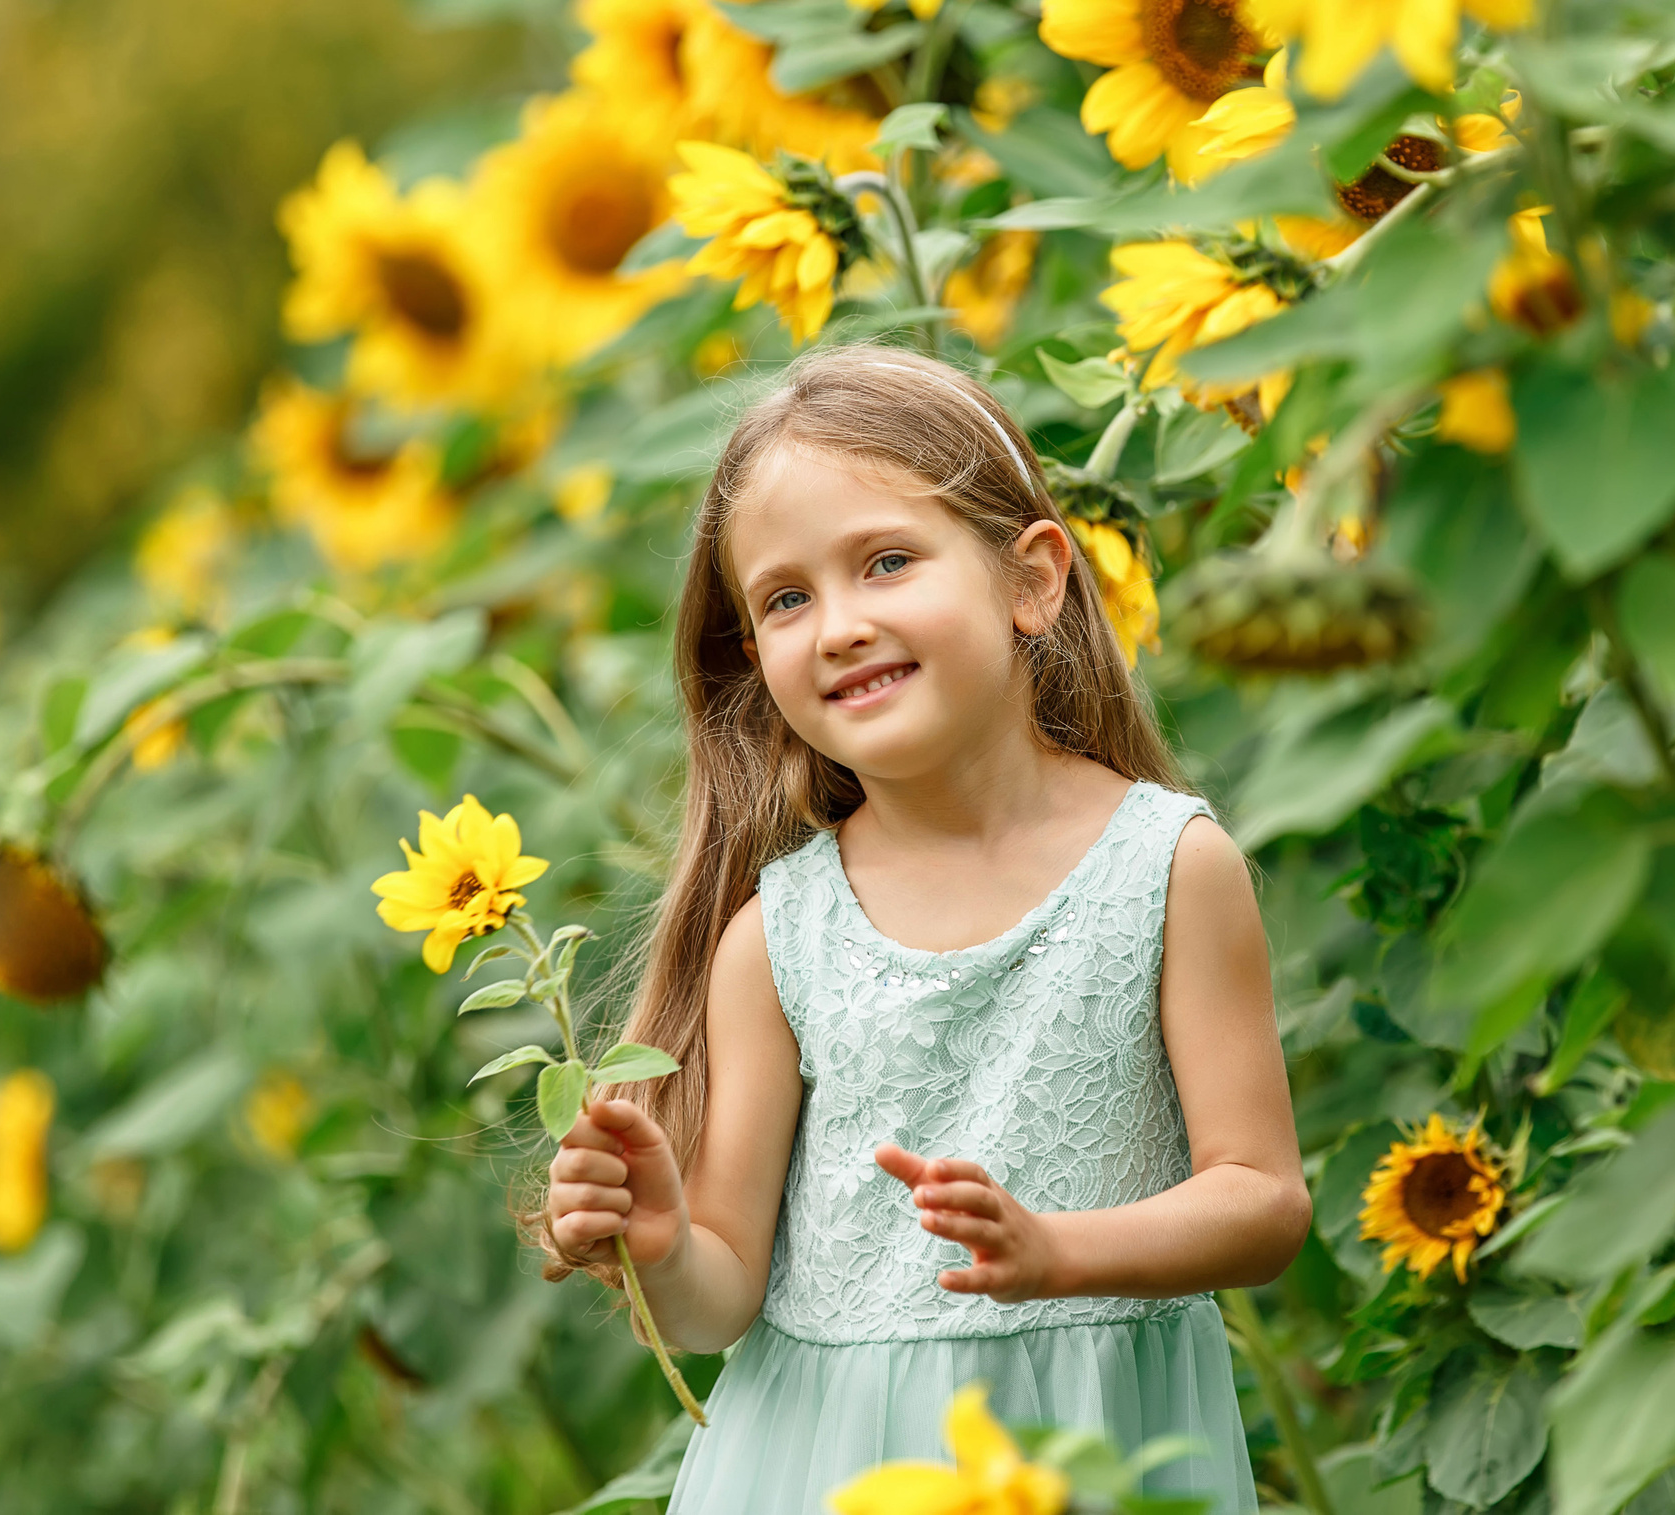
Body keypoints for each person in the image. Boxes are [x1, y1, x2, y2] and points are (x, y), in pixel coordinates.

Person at [536, 344, 1308, 1511]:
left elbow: (1261, 1199)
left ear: (1031, 580)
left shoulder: (1167, 869)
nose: (838, 626)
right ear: (756, 656)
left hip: (1089, 1452)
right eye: (786, 599)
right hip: (818, 1471)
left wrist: (1057, 1255)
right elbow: (724, 1298)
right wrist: (659, 1246)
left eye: (886, 562)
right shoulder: (778, 937)